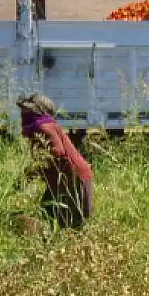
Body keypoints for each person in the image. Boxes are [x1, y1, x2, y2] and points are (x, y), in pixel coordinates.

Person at [17, 93, 94, 229]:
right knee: (48, 214)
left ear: (37, 112)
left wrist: (33, 170)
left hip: (72, 180)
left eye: (26, 111)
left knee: (71, 224)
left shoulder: (44, 127)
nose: (23, 115)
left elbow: (57, 151)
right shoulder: (41, 127)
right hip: (62, 180)